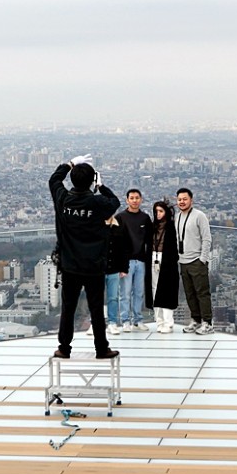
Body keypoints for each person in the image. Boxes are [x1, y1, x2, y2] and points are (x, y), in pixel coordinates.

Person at [49, 154, 121, 360]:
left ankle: (64, 347)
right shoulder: (98, 203)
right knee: (96, 308)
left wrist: (70, 163)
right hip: (94, 265)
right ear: (92, 180)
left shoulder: (63, 199)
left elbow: (54, 180)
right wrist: (102, 186)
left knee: (68, 308)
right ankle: (101, 348)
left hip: (70, 264)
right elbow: (114, 202)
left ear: (72, 179)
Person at [175, 188, 214, 334]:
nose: (182, 202)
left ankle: (208, 323)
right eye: (179, 199)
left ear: (191, 200)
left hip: (197, 261)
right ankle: (196, 320)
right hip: (183, 261)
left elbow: (207, 238)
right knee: (189, 293)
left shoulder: (199, 216)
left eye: (185, 199)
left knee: (202, 293)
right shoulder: (178, 217)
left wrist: (202, 259)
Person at [116, 189, 152, 332]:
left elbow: (150, 239)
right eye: (132, 198)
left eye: (137, 198)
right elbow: (116, 242)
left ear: (141, 200)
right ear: (127, 200)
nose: (135, 200)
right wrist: (120, 264)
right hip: (126, 261)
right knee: (125, 292)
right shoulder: (120, 217)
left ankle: (138, 320)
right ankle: (125, 320)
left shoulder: (145, 218)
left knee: (139, 292)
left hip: (141, 260)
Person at [146, 199, 180, 333]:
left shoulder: (171, 227)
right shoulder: (153, 226)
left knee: (166, 290)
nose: (158, 214)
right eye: (156, 212)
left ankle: (168, 322)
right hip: (153, 258)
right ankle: (159, 321)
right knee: (154, 290)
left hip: (166, 260)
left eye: (160, 211)